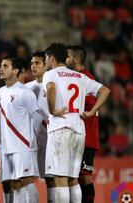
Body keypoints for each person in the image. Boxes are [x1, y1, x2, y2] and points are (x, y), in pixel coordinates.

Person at [42, 43, 110, 202]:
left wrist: (52, 110)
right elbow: (105, 90)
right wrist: (92, 111)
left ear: (51, 59)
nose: (45, 62)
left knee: (60, 178)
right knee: (73, 179)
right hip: (79, 131)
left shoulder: (51, 74)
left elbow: (51, 88)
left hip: (60, 129)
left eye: (45, 59)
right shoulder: (80, 76)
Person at [0, 56, 41, 203]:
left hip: (22, 146)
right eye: (1, 66)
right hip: (4, 147)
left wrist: (31, 141)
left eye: (5, 66)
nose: (1, 69)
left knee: (25, 181)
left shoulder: (25, 93)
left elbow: (36, 119)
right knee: (9, 184)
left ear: (16, 70)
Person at [66, 45, 99, 203]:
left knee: (85, 178)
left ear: (76, 59)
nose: (65, 60)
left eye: (68, 57)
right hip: (76, 136)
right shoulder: (73, 77)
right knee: (74, 177)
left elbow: (90, 105)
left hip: (87, 137)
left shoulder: (86, 78)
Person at [25, 51, 56, 202]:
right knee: (27, 179)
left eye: (37, 63)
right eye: (31, 63)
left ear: (46, 65)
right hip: (30, 141)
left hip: (49, 139)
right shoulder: (25, 88)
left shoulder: (53, 85)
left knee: (50, 179)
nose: (33, 66)